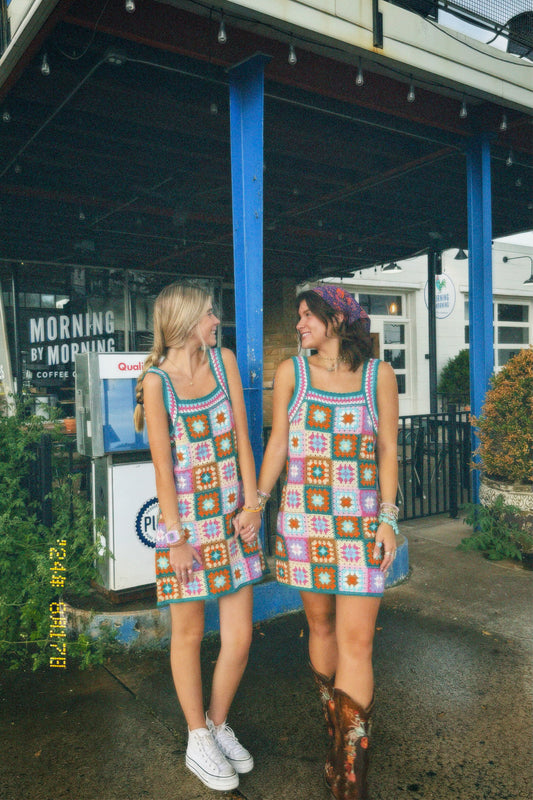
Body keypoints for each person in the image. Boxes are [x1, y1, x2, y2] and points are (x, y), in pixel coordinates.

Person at [256, 285, 399, 800]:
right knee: (320, 625)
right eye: (297, 317)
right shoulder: (291, 374)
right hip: (305, 523)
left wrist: (388, 519)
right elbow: (277, 443)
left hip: (361, 526)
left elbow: (387, 449)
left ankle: (352, 778)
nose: (299, 325)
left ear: (337, 319)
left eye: (307, 316)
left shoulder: (378, 376)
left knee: (357, 641)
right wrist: (257, 502)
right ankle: (336, 737)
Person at [133, 281, 266, 793]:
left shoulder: (225, 361)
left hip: (235, 521)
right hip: (186, 529)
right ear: (188, 319)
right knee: (187, 635)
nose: (217, 321)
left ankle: (216, 723)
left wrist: (252, 504)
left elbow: (242, 440)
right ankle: (196, 738)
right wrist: (175, 538)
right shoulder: (156, 382)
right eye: (211, 313)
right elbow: (164, 470)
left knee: (239, 637)